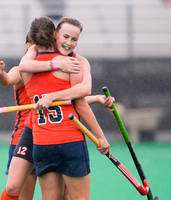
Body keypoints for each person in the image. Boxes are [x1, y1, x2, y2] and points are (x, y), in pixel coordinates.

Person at [19, 16, 112, 200]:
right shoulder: (73, 65)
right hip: (69, 143)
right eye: (66, 37)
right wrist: (101, 137)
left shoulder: (30, 63)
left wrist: (52, 96)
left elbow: (22, 64)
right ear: (54, 35)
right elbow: (81, 103)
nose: (69, 43)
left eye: (74, 39)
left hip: (42, 145)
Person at [0, 32, 82, 200]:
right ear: (27, 45)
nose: (33, 47)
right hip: (25, 135)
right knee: (20, 193)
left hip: (52, 136)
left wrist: (98, 99)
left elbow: (71, 98)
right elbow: (6, 80)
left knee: (63, 196)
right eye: (30, 43)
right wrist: (0, 73)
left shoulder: (57, 70)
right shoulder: (22, 69)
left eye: (38, 44)